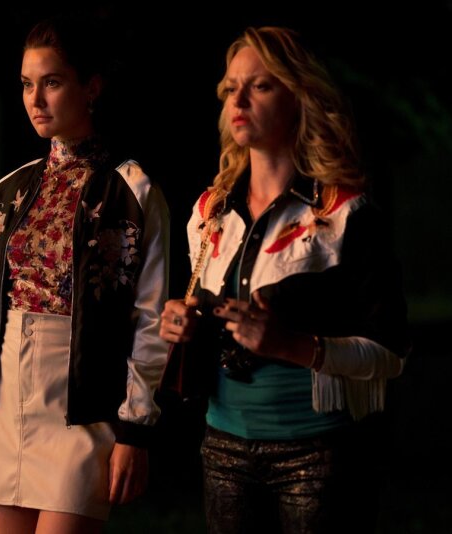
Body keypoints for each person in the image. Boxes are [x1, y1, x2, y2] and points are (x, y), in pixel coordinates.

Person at [159, 27, 410, 533]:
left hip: (318, 453)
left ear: (298, 97)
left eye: (260, 86)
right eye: (231, 88)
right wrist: (180, 325)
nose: (239, 101)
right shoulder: (209, 211)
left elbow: (391, 353)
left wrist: (290, 345)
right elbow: (201, 322)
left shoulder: (344, 213)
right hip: (223, 448)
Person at [0, 15, 170, 534]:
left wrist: (135, 429)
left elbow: (150, 317)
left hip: (81, 407)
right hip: (3, 403)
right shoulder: (10, 190)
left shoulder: (132, 190)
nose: (36, 99)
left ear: (90, 87)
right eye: (27, 84)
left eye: (51, 82)